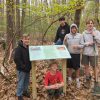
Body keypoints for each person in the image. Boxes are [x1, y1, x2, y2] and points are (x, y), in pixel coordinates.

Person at [63, 24, 83, 88]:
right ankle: (69, 79)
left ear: (76, 29)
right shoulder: (67, 35)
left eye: (75, 28)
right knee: (70, 67)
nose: (73, 29)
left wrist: (77, 46)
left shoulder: (80, 35)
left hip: (77, 54)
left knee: (77, 68)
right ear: (70, 29)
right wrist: (65, 41)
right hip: (69, 53)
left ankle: (77, 80)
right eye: (72, 28)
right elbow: (64, 45)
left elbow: (82, 45)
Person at [81, 19, 100, 86]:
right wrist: (88, 43)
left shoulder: (97, 32)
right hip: (85, 53)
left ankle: (96, 81)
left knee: (95, 67)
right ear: (86, 25)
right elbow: (82, 43)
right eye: (88, 23)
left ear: (93, 24)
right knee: (86, 67)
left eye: (91, 23)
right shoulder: (84, 33)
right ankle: (88, 79)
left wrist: (95, 35)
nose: (90, 24)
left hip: (94, 53)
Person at [14, 34, 31, 100]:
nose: (27, 40)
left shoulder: (28, 47)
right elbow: (16, 59)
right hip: (21, 69)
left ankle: (25, 91)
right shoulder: (19, 48)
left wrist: (29, 66)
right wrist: (23, 66)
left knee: (26, 81)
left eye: (28, 39)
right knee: (21, 82)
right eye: (25, 39)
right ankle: (19, 95)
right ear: (22, 39)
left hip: (27, 69)